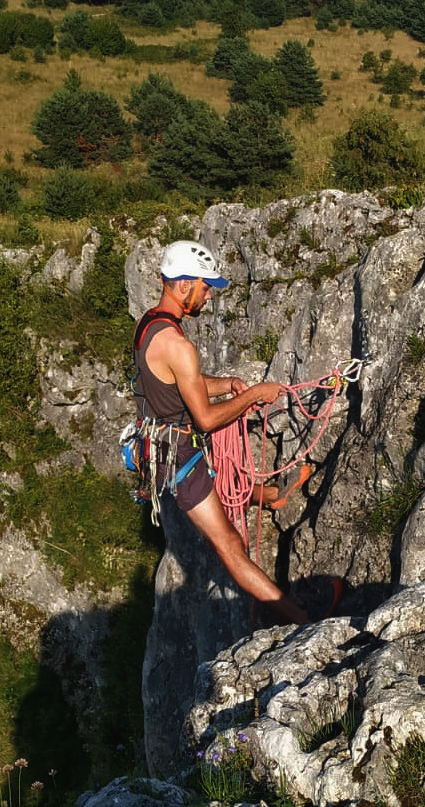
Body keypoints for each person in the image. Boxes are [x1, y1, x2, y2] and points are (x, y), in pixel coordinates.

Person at [133, 239, 311, 626]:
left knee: (226, 484)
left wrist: (223, 383)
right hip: (180, 457)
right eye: (205, 287)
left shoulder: (149, 324)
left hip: (162, 443)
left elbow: (178, 383)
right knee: (230, 546)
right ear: (183, 285)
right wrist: (254, 396)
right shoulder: (179, 344)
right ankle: (302, 619)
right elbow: (207, 420)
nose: (208, 296)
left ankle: (267, 495)